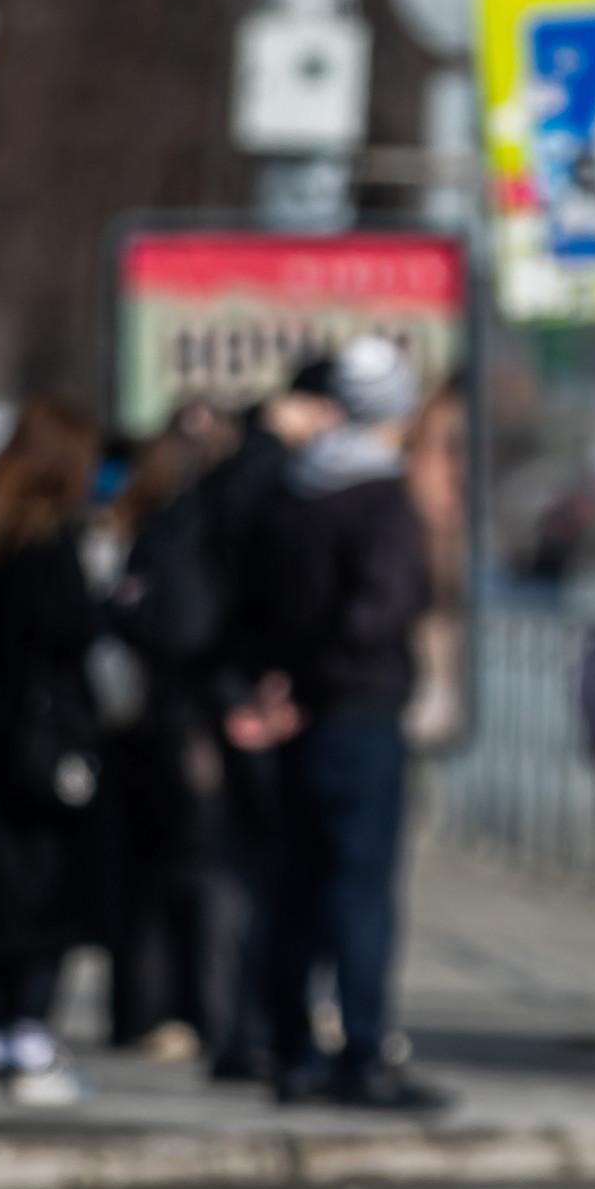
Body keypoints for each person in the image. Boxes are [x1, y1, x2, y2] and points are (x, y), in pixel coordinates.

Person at [244, 338, 445, 1110]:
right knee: (360, 890)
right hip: (355, 711)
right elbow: (381, 609)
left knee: (298, 887)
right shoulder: (381, 497)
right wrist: (322, 681)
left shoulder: (296, 488)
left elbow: (265, 601)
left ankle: (293, 1048)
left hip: (298, 710)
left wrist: (282, 685)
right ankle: (360, 1053)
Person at [0, 397, 109, 1106]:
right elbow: (72, 633)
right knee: (46, 893)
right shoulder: (51, 545)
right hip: (45, 746)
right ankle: (29, 1034)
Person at [200, 367, 342, 1084]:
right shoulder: (276, 481)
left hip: (236, 687)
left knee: (247, 870)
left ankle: (244, 1026)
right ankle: (261, 1027)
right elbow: (276, 598)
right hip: (263, 696)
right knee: (274, 874)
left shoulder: (236, 472)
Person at [100, 409, 239, 1058]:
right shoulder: (190, 528)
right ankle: (189, 1011)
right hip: (182, 717)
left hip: (146, 716)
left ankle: (144, 1010)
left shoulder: (147, 524)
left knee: (146, 874)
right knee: (190, 873)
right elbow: (182, 628)